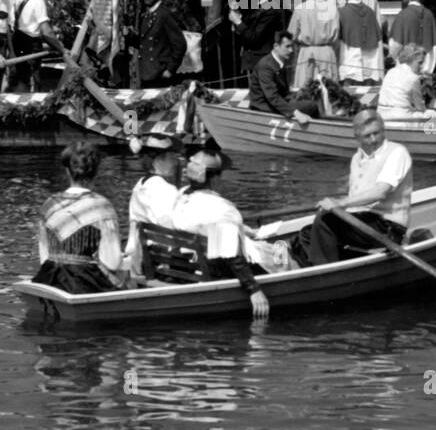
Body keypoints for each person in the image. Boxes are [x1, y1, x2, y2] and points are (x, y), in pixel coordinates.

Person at [172, 149, 286, 318]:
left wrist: (241, 229)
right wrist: (254, 290)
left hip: (194, 261)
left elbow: (206, 226)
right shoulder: (220, 208)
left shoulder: (182, 195)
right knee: (285, 252)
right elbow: (232, 255)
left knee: (278, 248)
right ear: (216, 178)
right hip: (220, 267)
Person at [306, 110, 413, 266]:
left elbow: (381, 191)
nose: (374, 139)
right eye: (367, 136)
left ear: (383, 130)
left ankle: (326, 275)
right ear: (357, 137)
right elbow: (356, 197)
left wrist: (340, 203)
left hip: (387, 226)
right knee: (306, 234)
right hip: (364, 220)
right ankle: (329, 266)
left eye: (377, 133)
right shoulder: (357, 158)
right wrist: (338, 206)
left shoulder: (397, 152)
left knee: (323, 222)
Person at [31, 142, 125, 294]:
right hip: (84, 283)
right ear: (96, 172)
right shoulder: (102, 206)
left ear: (67, 171)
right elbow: (112, 262)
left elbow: (44, 257)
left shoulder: (48, 205)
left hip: (49, 279)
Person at [124, 136, 184, 279]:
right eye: (172, 157)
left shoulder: (141, 185)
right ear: (159, 159)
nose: (176, 162)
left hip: (140, 256)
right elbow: (172, 228)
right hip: (158, 261)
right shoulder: (164, 190)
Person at [8, 0, 67, 93]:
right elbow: (46, 31)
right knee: (32, 80)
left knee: (21, 78)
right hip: (30, 44)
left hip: (16, 39)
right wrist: (62, 50)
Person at [249, 31, 319, 121]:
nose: (291, 50)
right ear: (276, 46)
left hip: (275, 103)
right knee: (311, 106)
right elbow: (272, 96)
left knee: (309, 102)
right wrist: (295, 113)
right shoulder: (266, 65)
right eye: (287, 46)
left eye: (291, 46)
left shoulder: (280, 62)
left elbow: (284, 92)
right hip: (262, 107)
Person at [287, 0, 339, 88]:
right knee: (329, 92)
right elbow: (336, 36)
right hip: (327, 53)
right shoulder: (333, 8)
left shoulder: (301, 8)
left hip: (307, 53)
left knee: (305, 91)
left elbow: (291, 36)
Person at [132, 0, 187, 88]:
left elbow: (180, 44)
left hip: (160, 74)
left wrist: (170, 69)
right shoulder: (145, 15)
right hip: (146, 73)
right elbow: (143, 43)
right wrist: (128, 35)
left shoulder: (164, 14)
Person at [336, 0, 383, 82]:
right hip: (370, 59)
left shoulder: (342, 13)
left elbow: (337, 38)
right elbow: (378, 37)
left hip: (349, 59)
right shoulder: (370, 11)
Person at [387, 0, 436, 73]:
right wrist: (429, 68)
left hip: (405, 69)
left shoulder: (403, 15)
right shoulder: (429, 15)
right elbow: (434, 47)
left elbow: (394, 47)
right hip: (426, 68)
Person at [378, 43, 434, 121]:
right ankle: (431, 133)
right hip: (401, 117)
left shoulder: (390, 71)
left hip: (382, 115)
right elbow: (420, 107)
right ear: (412, 59)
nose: (421, 67)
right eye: (420, 63)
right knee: (432, 114)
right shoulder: (413, 78)